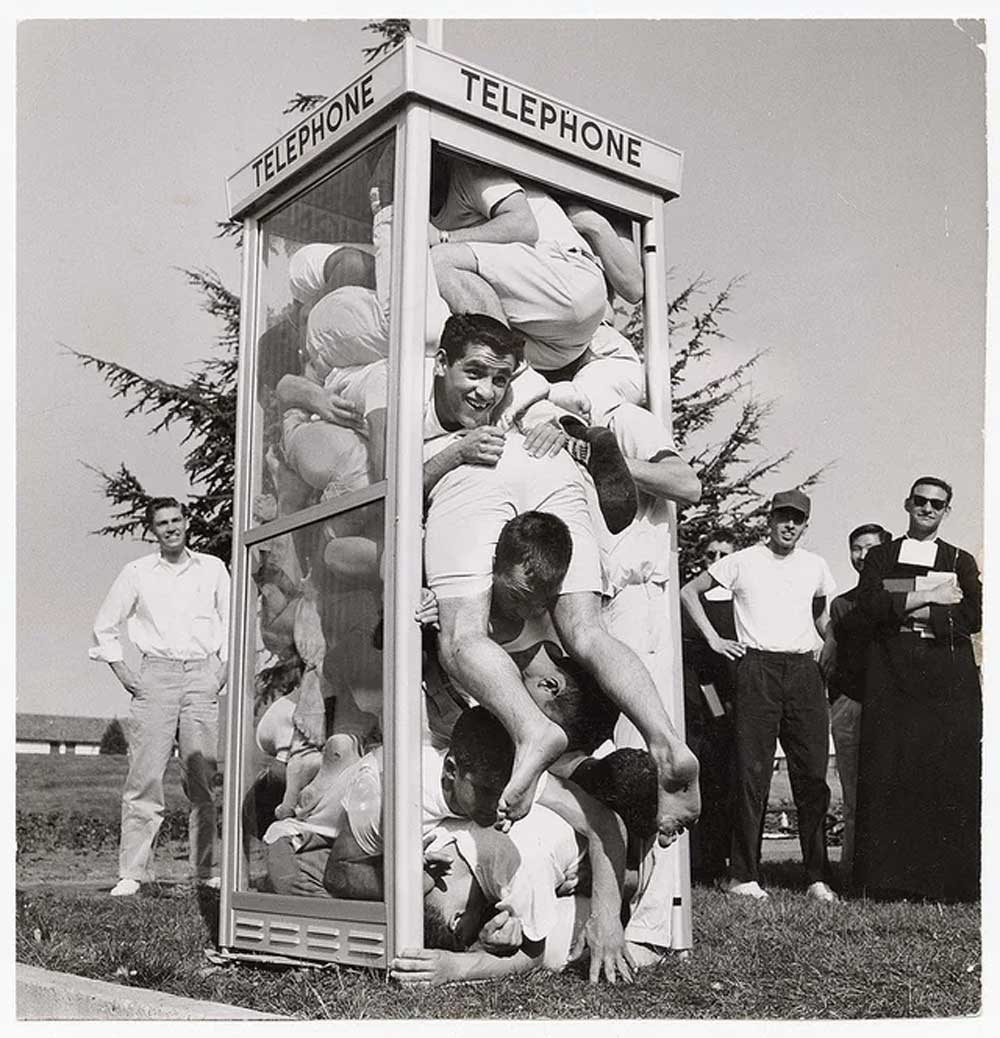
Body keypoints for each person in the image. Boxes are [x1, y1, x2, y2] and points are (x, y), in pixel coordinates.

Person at [424, 392, 700, 845]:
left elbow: (400, 495)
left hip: (470, 472)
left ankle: (532, 730)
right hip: (553, 465)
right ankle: (666, 740)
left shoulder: (432, 421)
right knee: (588, 631)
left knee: (461, 636)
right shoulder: (537, 397)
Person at [680, 490, 838, 902]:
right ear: (770, 520)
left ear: (806, 525)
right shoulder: (742, 560)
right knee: (752, 775)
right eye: (782, 517)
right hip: (757, 670)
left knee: (812, 775)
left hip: (804, 671)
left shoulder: (815, 565)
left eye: (797, 520)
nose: (789, 525)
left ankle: (817, 875)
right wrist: (714, 639)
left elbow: (823, 614)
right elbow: (688, 593)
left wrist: (827, 648)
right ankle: (743, 875)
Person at [89, 497, 230, 896]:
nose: (171, 528)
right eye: (162, 523)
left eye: (176, 520)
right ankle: (133, 873)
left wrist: (221, 671)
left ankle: (204, 872)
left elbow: (234, 621)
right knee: (144, 777)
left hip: (202, 675)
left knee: (202, 780)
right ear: (153, 530)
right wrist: (125, 673)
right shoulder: (137, 572)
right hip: (156, 676)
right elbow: (104, 625)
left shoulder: (213, 569)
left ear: (187, 522)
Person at [852, 478, 981, 902]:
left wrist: (904, 600)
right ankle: (888, 883)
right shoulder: (881, 556)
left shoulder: (960, 559)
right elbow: (870, 605)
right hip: (891, 675)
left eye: (937, 504)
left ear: (947, 510)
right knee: (889, 770)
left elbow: (971, 614)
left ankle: (943, 884)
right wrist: (931, 595)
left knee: (942, 773)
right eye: (921, 501)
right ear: (907, 503)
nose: (928, 508)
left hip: (943, 677)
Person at [428, 153, 607, 373]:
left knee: (440, 259)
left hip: (568, 278)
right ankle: (523, 385)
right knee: (452, 341)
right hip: (561, 346)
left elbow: (524, 225)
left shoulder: (469, 169)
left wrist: (444, 237)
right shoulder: (423, 205)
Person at [818, 522, 891, 882]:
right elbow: (832, 651)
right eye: (855, 548)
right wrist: (831, 635)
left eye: (870, 548)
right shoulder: (842, 603)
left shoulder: (900, 593)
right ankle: (853, 872)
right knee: (853, 795)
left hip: (892, 705)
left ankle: (893, 872)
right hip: (850, 704)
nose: (862, 556)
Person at [680, 531, 739, 882]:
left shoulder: (739, 600)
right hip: (693, 701)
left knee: (723, 780)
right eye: (711, 555)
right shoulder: (689, 600)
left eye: (724, 555)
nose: (716, 562)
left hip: (727, 702)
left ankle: (719, 861)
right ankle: (694, 862)